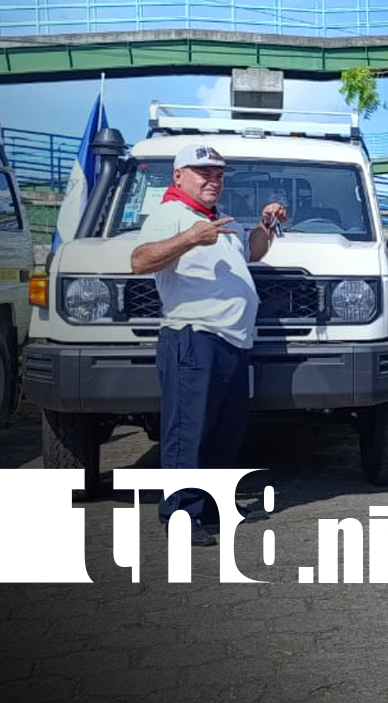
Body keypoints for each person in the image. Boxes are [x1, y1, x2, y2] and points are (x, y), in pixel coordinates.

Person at [130, 143, 286, 546]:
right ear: (179, 176)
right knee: (188, 432)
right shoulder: (171, 216)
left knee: (223, 432)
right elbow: (140, 260)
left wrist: (266, 226)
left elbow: (250, 253)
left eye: (218, 174)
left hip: (231, 340)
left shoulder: (214, 220)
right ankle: (180, 517)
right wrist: (189, 238)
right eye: (204, 173)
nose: (213, 180)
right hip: (192, 337)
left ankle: (212, 509)